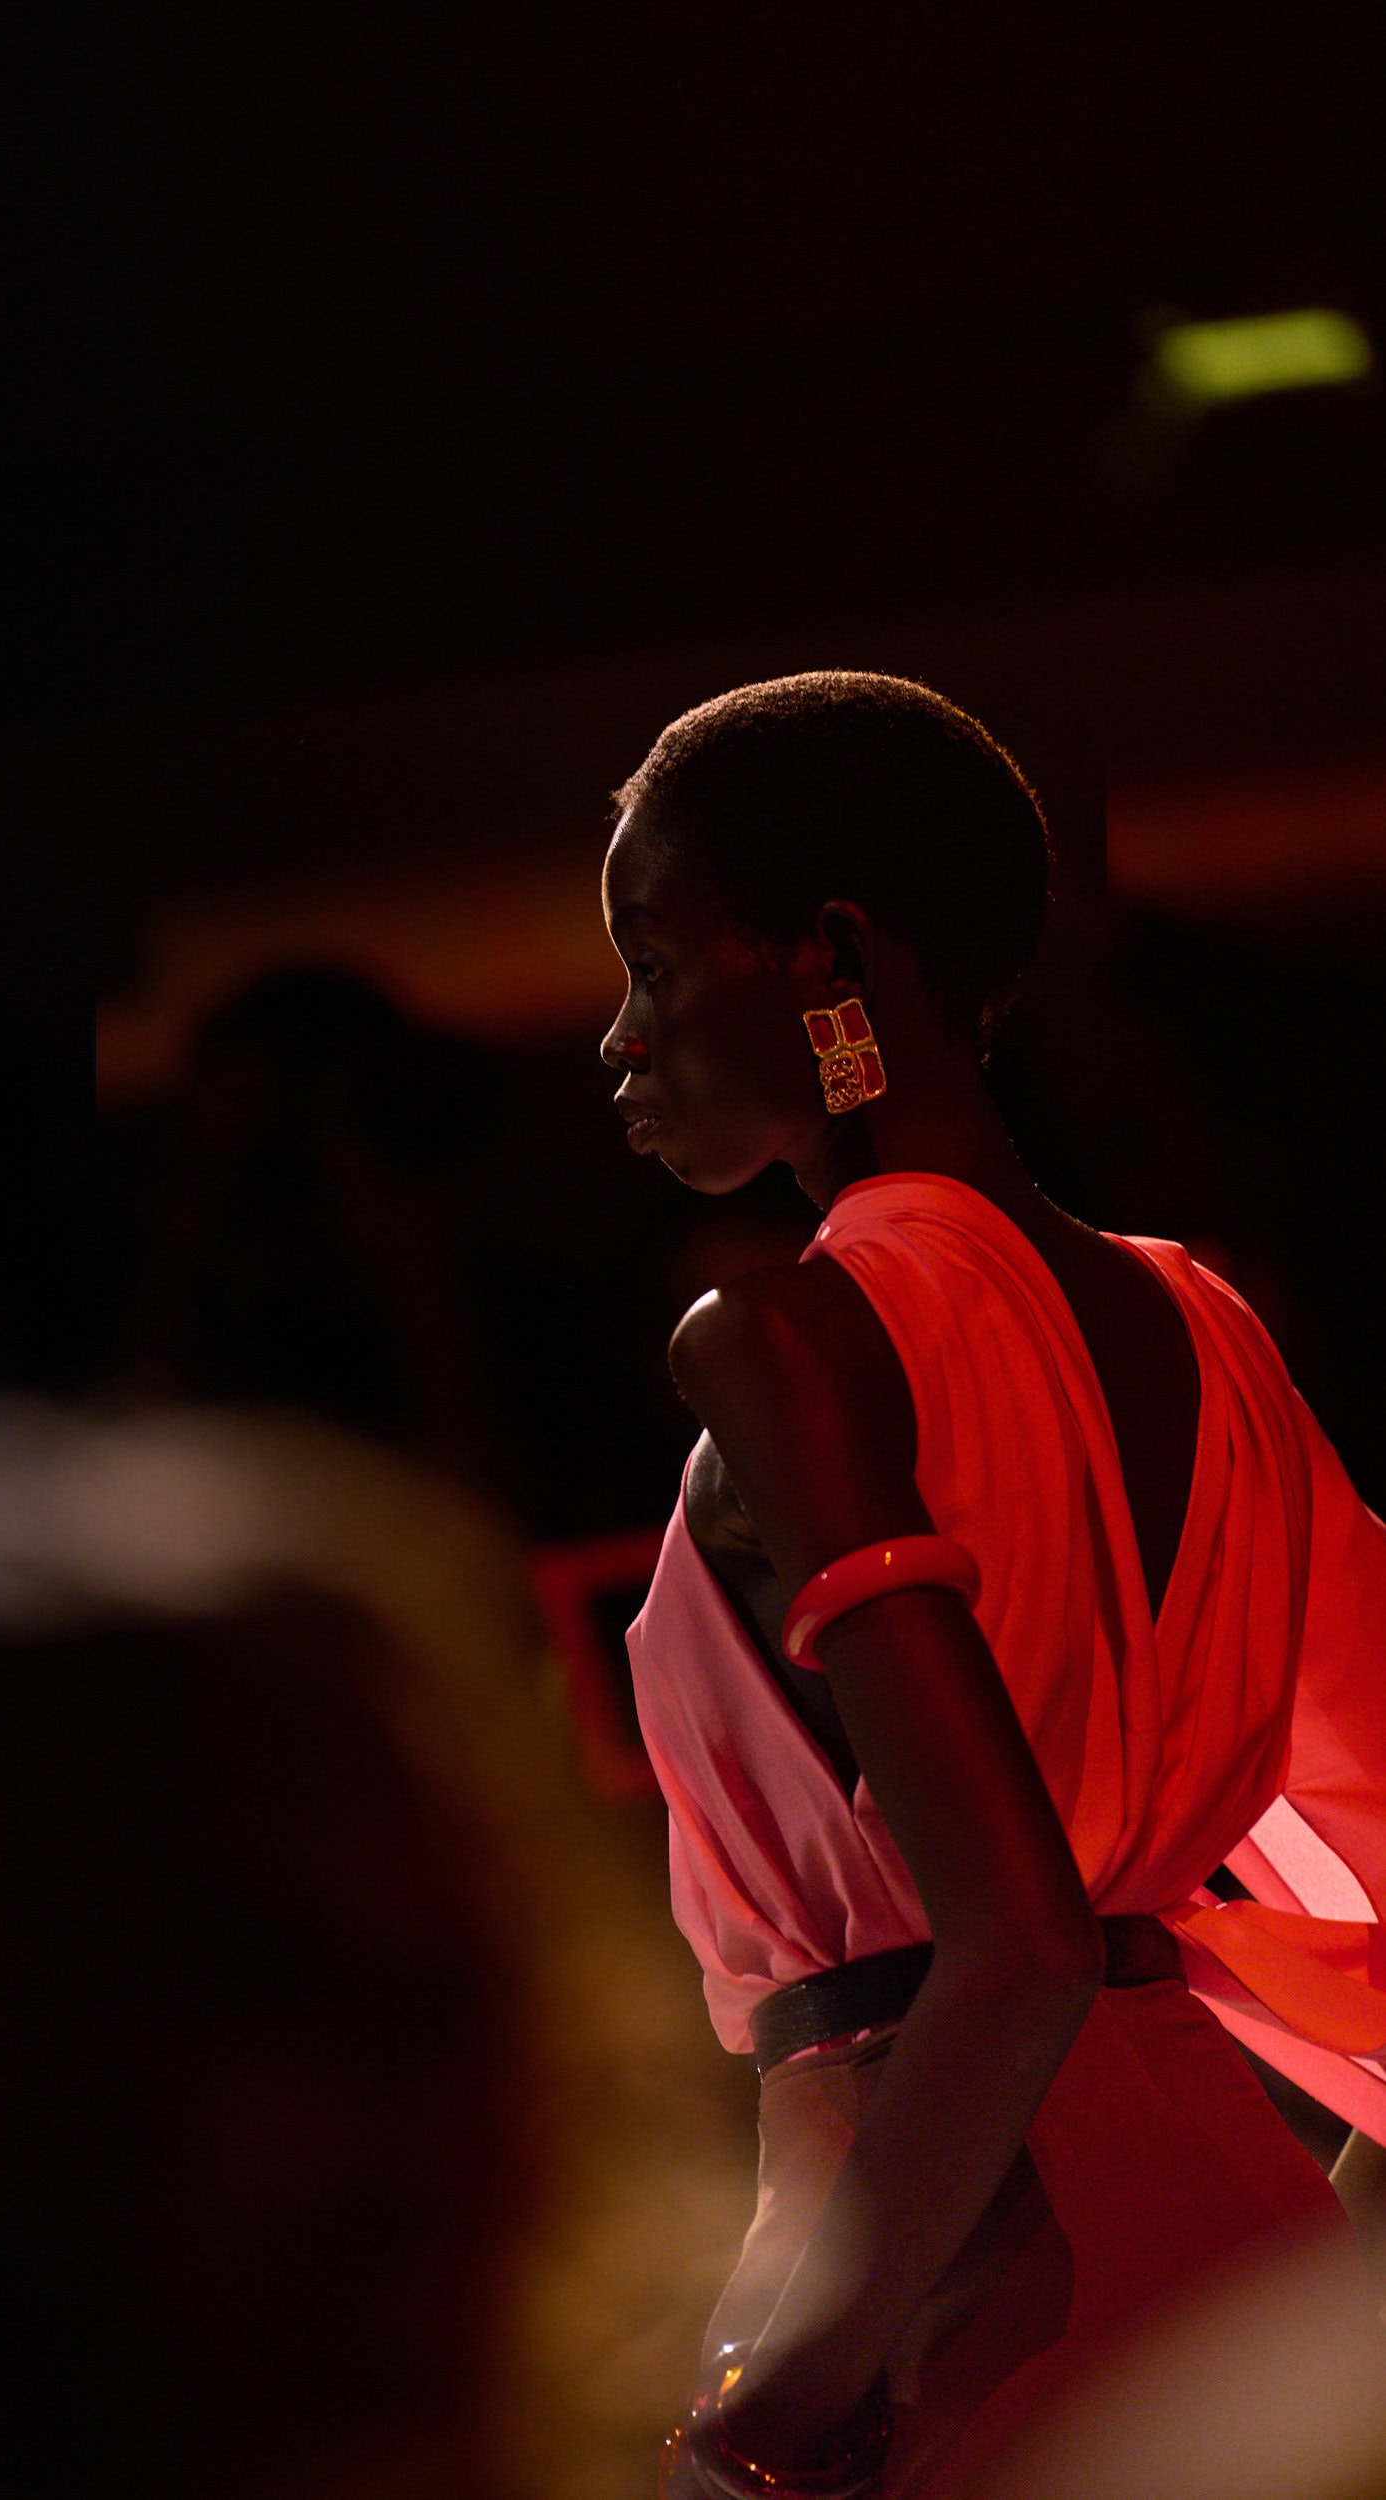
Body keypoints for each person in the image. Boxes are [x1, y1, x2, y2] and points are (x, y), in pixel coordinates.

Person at [600, 673, 1386, 2499]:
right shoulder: (1208, 1327)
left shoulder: (784, 1344)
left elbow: (1020, 1944)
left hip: (932, 2275)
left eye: (653, 960)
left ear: (834, 954)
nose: (621, 1039)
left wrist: (773, 2416)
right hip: (1227, 2247)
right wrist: (1304, 2272)